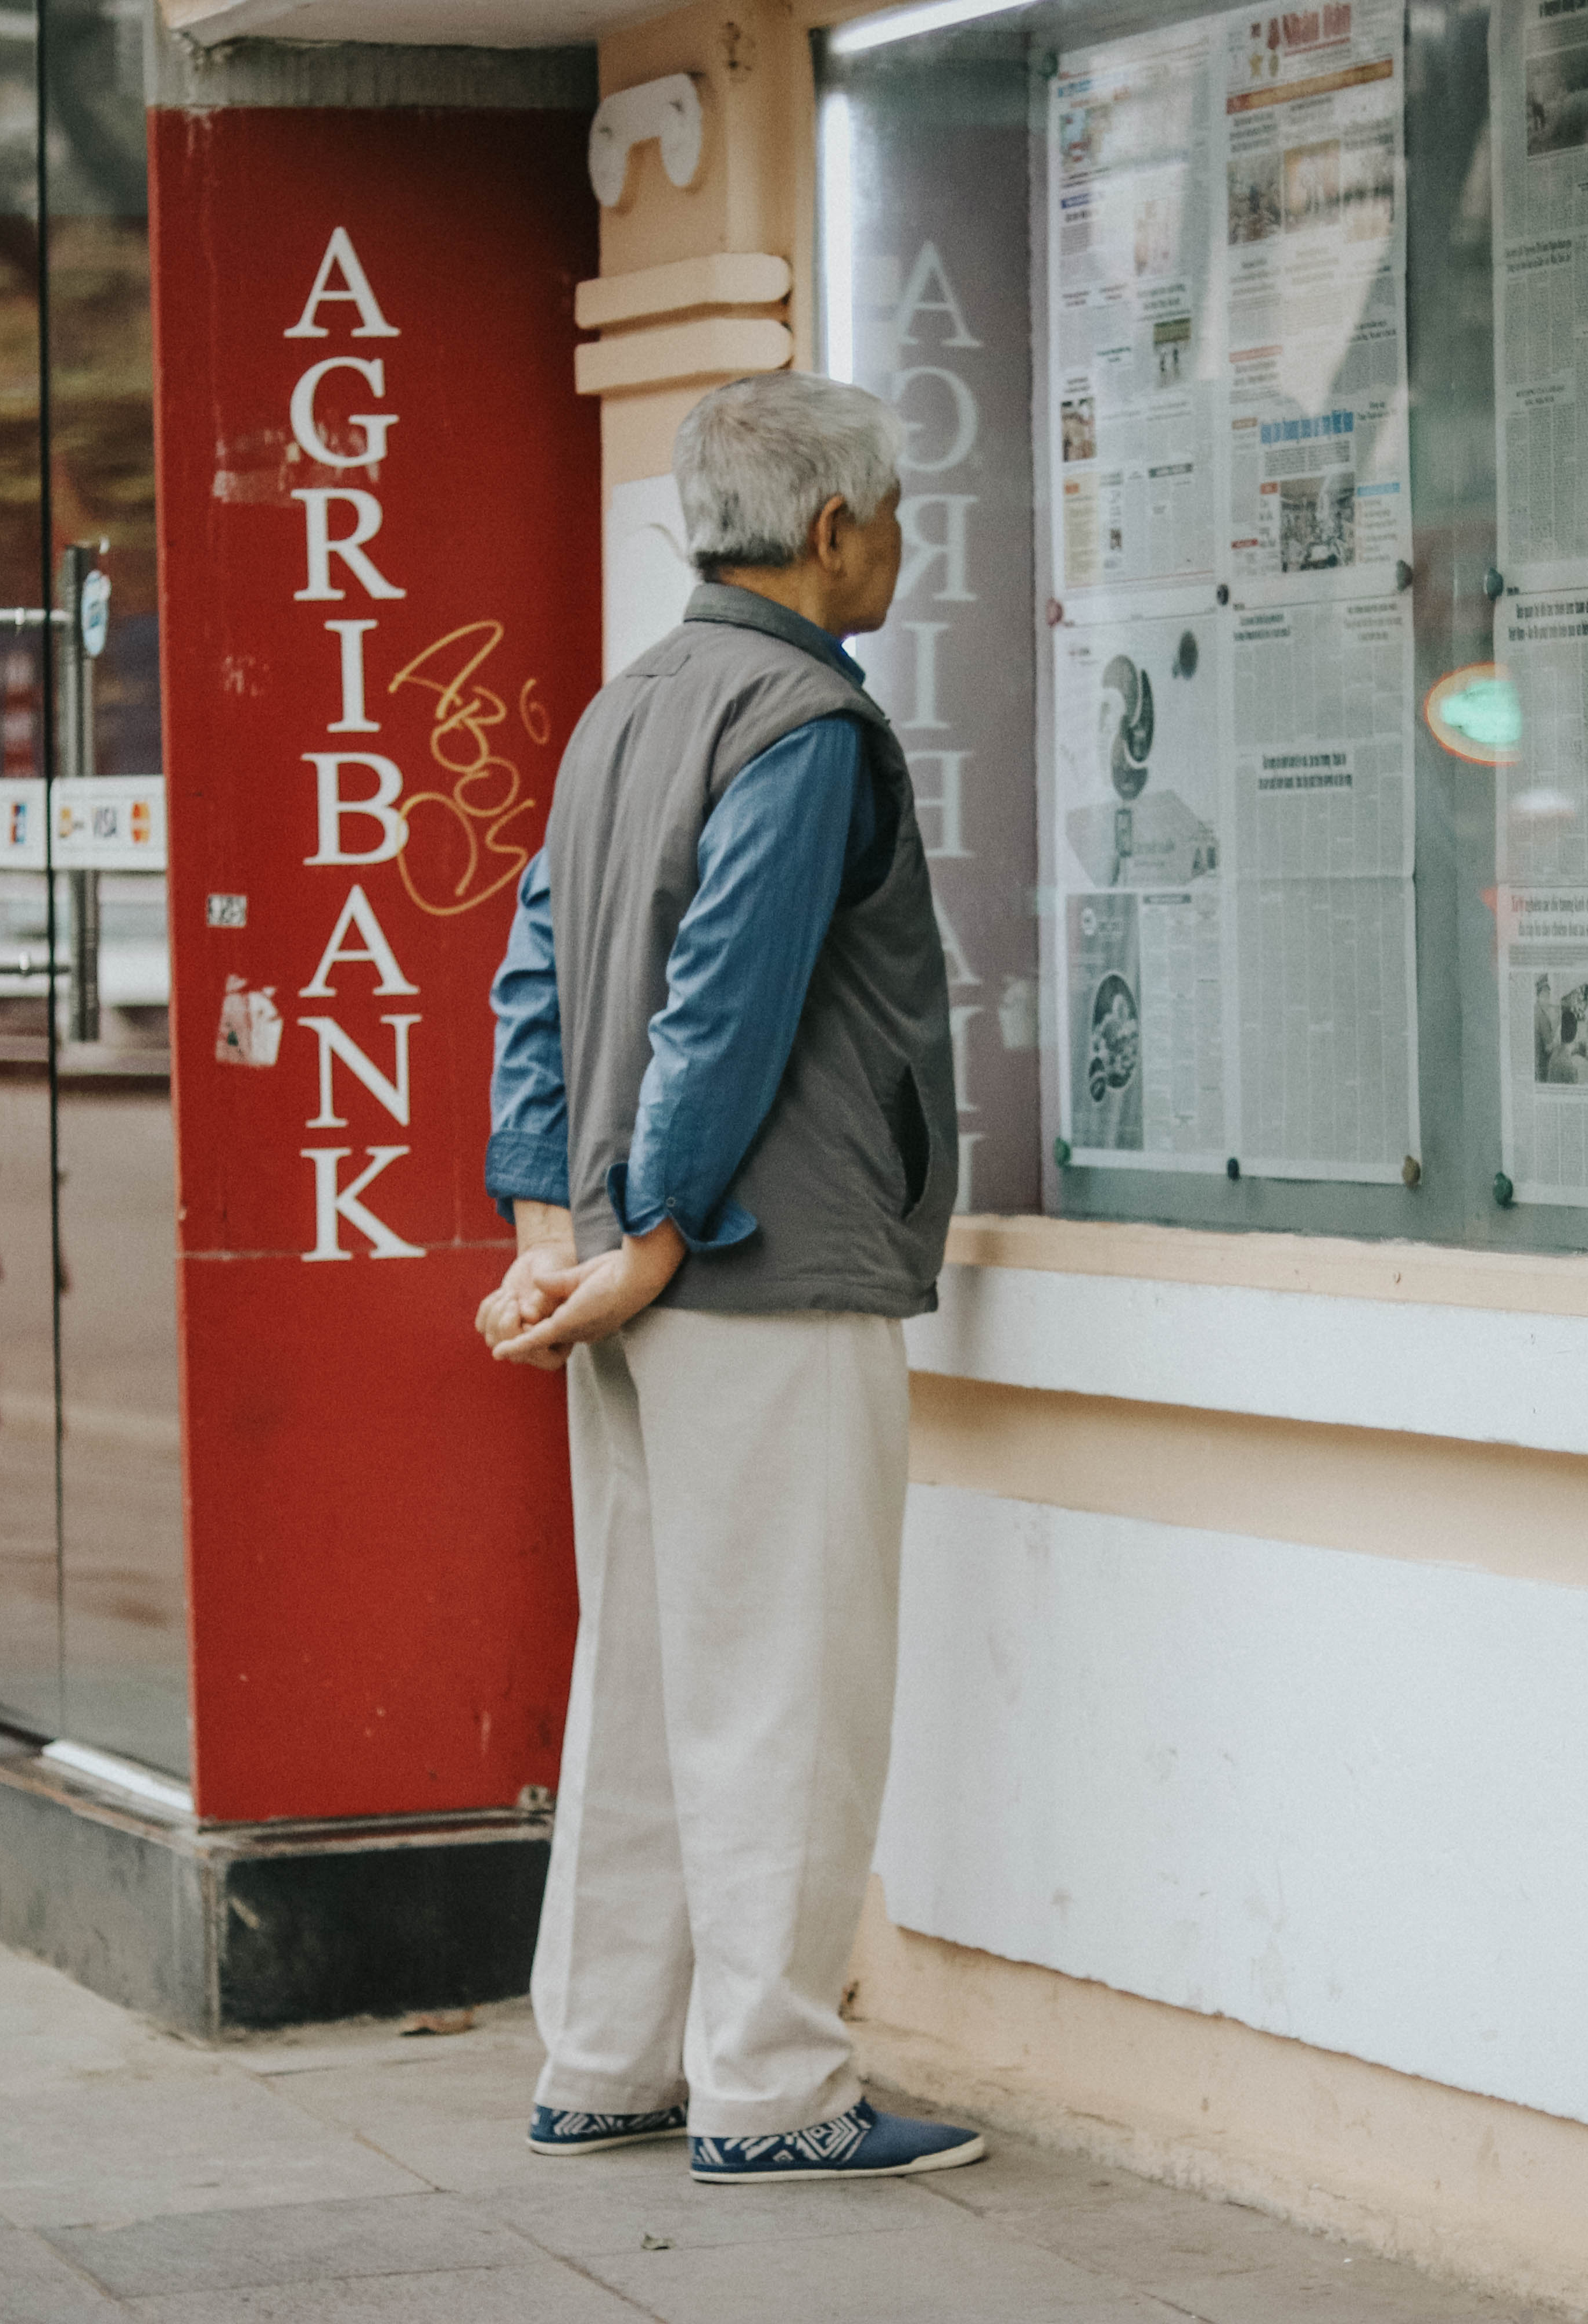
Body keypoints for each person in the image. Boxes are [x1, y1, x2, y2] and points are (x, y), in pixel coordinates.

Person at [473, 370, 985, 2186]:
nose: (905, 547)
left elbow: (533, 971)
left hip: (625, 1283)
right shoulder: (808, 722)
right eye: (899, 518)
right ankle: (774, 2087)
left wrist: (556, 1228)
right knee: (784, 1676)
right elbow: (729, 1008)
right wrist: (664, 1224)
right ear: (837, 532)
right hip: (762, 1276)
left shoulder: (629, 706)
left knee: (643, 1674)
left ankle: (604, 2058)